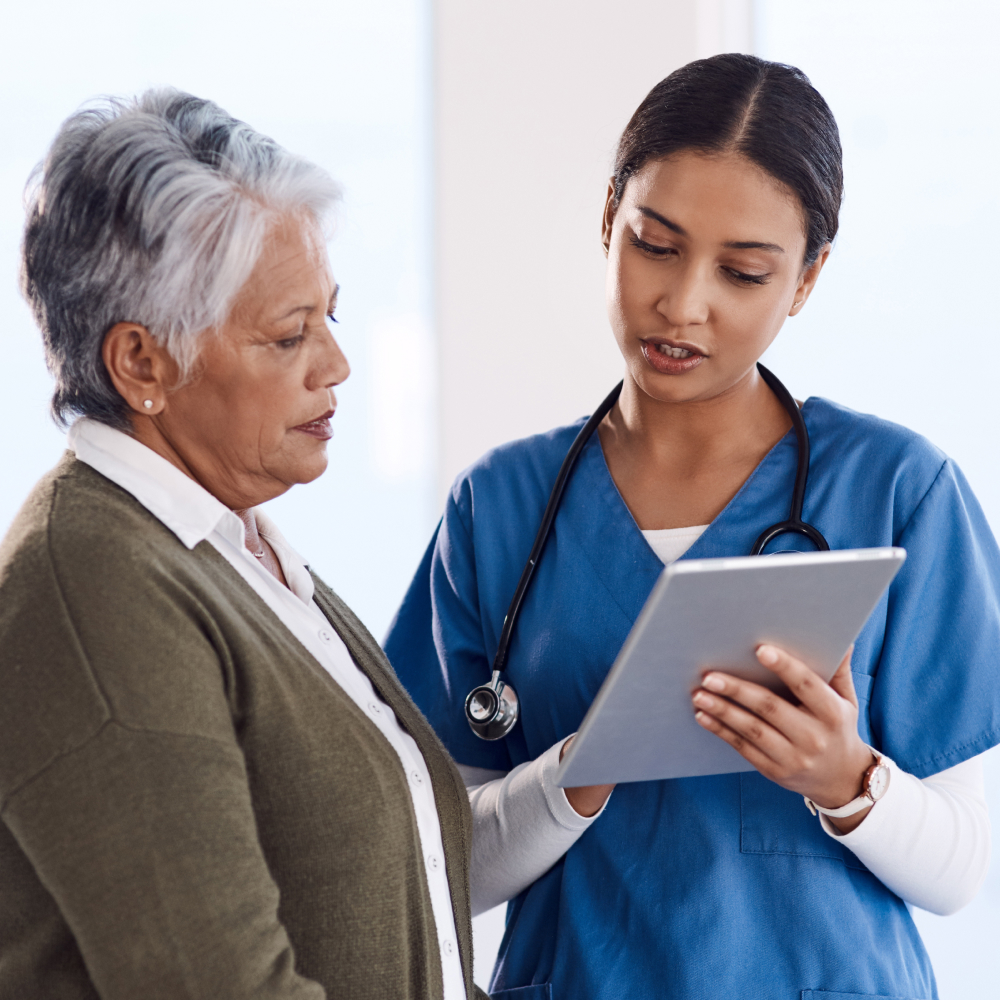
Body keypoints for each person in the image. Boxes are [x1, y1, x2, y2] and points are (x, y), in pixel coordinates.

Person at [385, 54, 999, 1000]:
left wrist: (846, 778)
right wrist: (572, 780)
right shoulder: (499, 507)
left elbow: (962, 873)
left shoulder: (900, 492)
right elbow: (433, 864)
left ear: (805, 280)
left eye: (744, 272)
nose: (683, 305)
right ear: (607, 221)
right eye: (655, 245)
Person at [0, 90, 484, 1000]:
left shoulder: (235, 549)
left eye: (330, 317)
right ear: (141, 362)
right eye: (289, 335)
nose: (335, 363)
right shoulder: (92, 586)